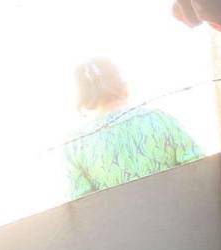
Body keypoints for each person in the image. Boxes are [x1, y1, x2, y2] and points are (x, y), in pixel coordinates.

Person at [64, 58, 203, 200]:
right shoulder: (160, 120)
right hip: (180, 216)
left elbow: (82, 206)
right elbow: (200, 170)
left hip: (120, 222)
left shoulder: (76, 145)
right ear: (121, 84)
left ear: (83, 95)